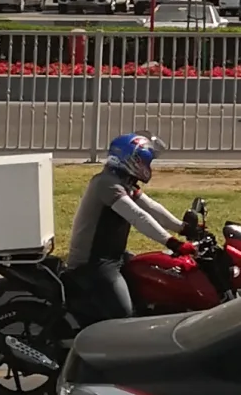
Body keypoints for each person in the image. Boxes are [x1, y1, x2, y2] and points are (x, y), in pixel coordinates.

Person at [64, 135, 191, 328]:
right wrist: (172, 242)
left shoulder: (123, 182)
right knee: (124, 315)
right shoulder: (107, 184)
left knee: (152, 280)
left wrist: (183, 228)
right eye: (144, 161)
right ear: (129, 160)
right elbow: (137, 216)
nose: (147, 166)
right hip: (94, 263)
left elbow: (151, 207)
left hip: (114, 256)